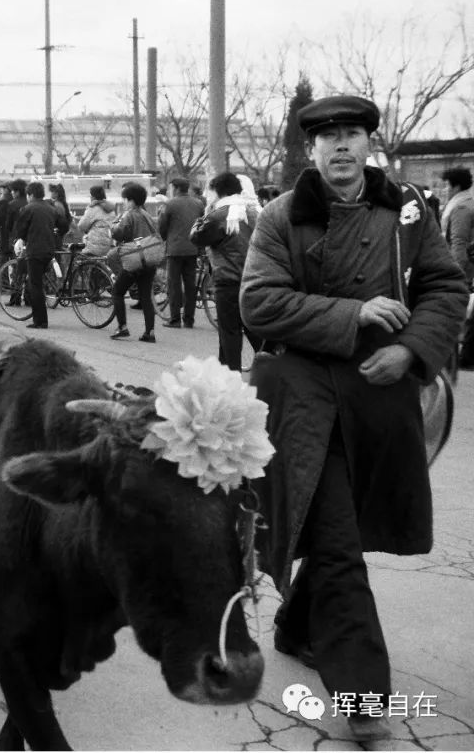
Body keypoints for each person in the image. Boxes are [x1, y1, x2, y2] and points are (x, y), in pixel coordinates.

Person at [240, 95, 467, 743]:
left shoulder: (407, 213)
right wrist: (355, 315)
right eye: (327, 137)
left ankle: (293, 626)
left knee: (346, 527)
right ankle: (364, 698)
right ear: (310, 151)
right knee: (338, 541)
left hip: (379, 396)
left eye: (352, 135)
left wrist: (411, 350)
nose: (340, 147)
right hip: (302, 397)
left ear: (370, 145)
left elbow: (445, 288)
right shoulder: (282, 216)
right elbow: (258, 303)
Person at [189, 172, 260, 370]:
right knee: (252, 326)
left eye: (210, 191)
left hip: (228, 279)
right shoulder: (252, 211)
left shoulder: (219, 214)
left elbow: (196, 237)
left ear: (218, 191)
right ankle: (272, 366)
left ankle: (231, 376)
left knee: (230, 331)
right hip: (254, 278)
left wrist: (204, 215)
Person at [109, 182, 159, 342]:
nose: (124, 203)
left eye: (125, 200)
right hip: (149, 260)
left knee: (117, 291)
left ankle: (122, 327)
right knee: (145, 297)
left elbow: (119, 234)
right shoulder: (147, 215)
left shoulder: (129, 215)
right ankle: (149, 333)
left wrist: (113, 226)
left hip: (135, 260)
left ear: (131, 201)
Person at [158, 177, 206, 328]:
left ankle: (175, 319)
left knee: (174, 284)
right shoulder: (198, 204)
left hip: (175, 250)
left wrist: (166, 238)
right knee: (190, 285)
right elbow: (202, 224)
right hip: (193, 249)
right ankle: (189, 320)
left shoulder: (169, 204)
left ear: (176, 188)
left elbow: (162, 227)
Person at [13, 181, 60, 329]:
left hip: (35, 251)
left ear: (31, 195)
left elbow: (20, 230)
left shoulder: (28, 208)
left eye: (28, 195)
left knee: (35, 285)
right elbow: (63, 224)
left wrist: (23, 238)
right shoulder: (51, 207)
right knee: (39, 283)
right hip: (49, 250)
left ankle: (40, 321)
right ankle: (41, 318)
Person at [440, 166, 474, 368]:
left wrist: (456, 278)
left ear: (456, 186)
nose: (444, 189)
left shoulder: (461, 207)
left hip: (463, 272)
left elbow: (458, 244)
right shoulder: (469, 202)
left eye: (446, 185)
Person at [77, 184, 118, 258]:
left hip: (94, 247)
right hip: (109, 246)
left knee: (79, 260)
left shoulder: (93, 208)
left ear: (93, 197)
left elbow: (81, 226)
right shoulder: (111, 209)